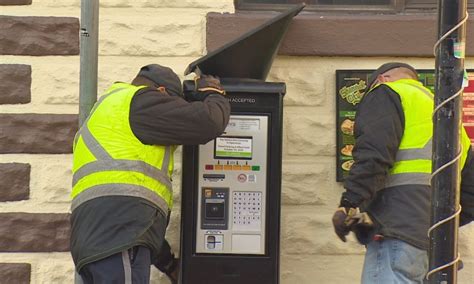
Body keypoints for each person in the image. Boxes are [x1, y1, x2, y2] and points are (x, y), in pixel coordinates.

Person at [70, 64, 230, 283]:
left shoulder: (112, 109)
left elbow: (129, 206)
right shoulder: (142, 101)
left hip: (99, 242)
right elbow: (209, 122)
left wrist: (169, 264)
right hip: (116, 239)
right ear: (162, 92)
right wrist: (213, 93)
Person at [331, 62, 474, 283]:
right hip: (437, 245)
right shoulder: (447, 115)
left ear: (381, 80)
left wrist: (351, 203)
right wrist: (432, 223)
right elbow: (471, 194)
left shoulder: (388, 92)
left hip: (398, 233)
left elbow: (374, 153)